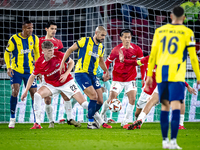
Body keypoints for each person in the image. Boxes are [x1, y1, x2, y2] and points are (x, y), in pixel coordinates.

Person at [21, 41, 111, 129]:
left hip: (67, 82)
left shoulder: (59, 54)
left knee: (84, 104)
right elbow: (32, 76)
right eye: (49, 51)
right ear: (43, 51)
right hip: (51, 85)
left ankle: (101, 122)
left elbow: (72, 63)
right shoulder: (39, 62)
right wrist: (25, 91)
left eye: (52, 50)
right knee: (37, 95)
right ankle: (37, 123)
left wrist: (66, 74)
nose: (52, 52)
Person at [145, 6, 200, 149]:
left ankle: (164, 141)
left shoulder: (159, 31)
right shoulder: (187, 32)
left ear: (170, 16)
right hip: (177, 75)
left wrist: (149, 74)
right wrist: (198, 76)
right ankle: (173, 141)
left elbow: (153, 55)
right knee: (176, 106)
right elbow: (193, 58)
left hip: (162, 75)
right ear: (184, 18)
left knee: (165, 107)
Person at [59, 26, 110, 129]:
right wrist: (62, 63)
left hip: (93, 75)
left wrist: (106, 71)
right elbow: (70, 49)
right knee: (93, 97)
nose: (103, 38)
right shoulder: (84, 41)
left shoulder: (101, 47)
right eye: (101, 35)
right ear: (96, 33)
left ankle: (90, 115)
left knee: (100, 100)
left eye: (104, 36)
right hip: (81, 73)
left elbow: (100, 61)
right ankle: (90, 122)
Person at [100, 29, 145, 127]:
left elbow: (142, 64)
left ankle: (125, 122)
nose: (127, 39)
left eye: (129, 37)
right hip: (117, 79)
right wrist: (105, 73)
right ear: (121, 38)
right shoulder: (116, 50)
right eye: (125, 37)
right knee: (111, 99)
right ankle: (101, 116)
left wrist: (143, 78)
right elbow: (107, 62)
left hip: (131, 79)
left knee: (132, 99)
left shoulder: (137, 49)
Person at [39, 21, 80, 128]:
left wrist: (66, 73)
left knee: (66, 96)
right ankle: (51, 121)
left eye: (55, 29)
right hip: (46, 74)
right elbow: (36, 56)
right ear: (46, 29)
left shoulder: (58, 42)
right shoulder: (39, 41)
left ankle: (70, 119)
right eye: (52, 28)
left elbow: (64, 59)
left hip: (58, 73)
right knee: (47, 99)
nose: (54, 31)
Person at [4, 20, 40, 128]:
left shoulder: (34, 38)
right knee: (15, 92)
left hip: (30, 72)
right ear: (23, 29)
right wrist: (8, 67)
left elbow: (37, 53)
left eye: (32, 27)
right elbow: (7, 53)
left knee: (34, 93)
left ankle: (36, 121)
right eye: (28, 28)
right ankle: (12, 118)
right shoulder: (14, 39)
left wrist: (38, 69)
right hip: (17, 71)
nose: (31, 30)